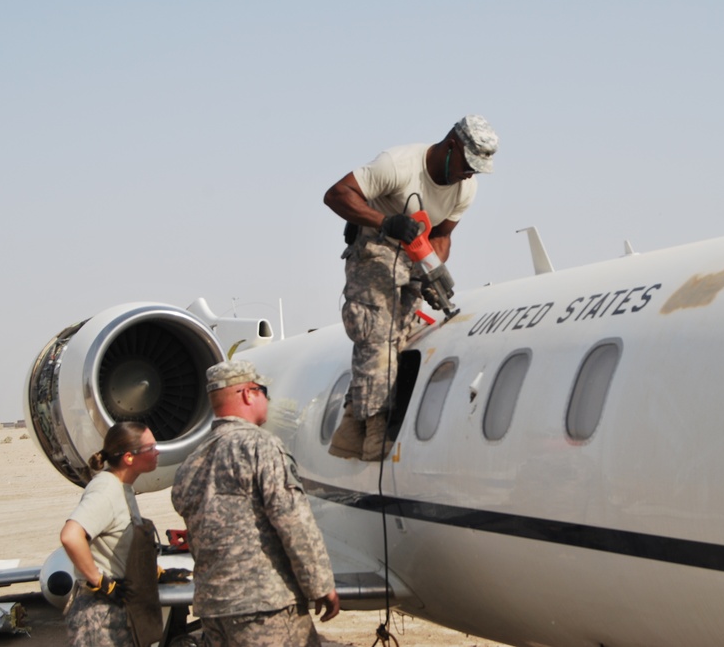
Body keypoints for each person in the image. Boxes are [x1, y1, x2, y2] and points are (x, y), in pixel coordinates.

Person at [324, 114, 498, 461]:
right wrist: (385, 221)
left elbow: (442, 236)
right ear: (451, 147)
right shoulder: (398, 165)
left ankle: (349, 426)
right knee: (378, 329)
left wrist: (430, 273)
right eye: (467, 165)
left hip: (412, 254)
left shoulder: (466, 188)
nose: (470, 174)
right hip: (374, 248)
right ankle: (375, 431)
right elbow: (336, 194)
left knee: (404, 332)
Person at [172, 359, 340, 647]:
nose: (267, 399)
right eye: (263, 391)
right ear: (248, 394)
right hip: (264, 607)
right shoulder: (260, 446)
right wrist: (320, 584)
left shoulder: (193, 461)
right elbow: (292, 520)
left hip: (214, 610)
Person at [59, 420, 163, 646]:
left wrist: (149, 571)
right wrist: (100, 581)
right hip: (99, 616)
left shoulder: (123, 488)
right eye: (151, 448)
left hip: (118, 610)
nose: (157, 452)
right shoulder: (106, 489)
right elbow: (71, 536)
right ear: (129, 457)